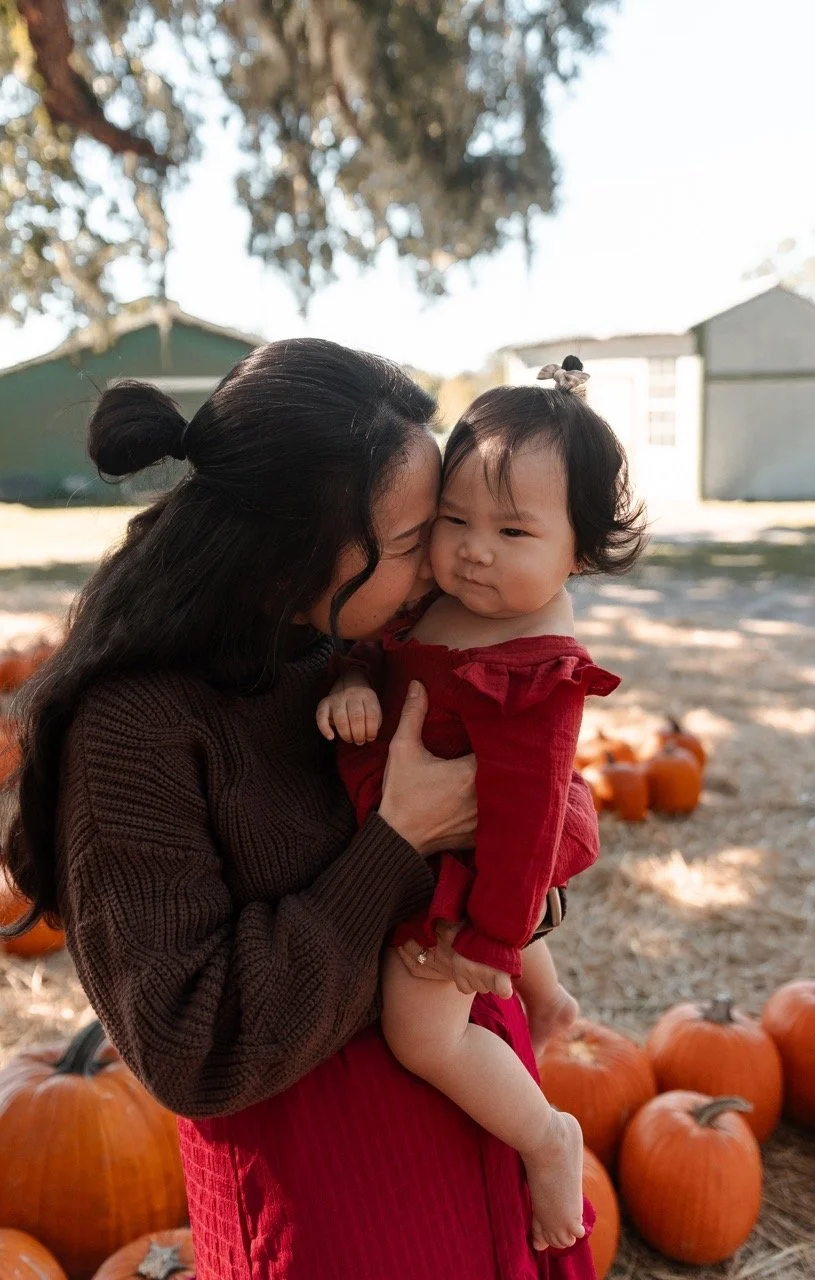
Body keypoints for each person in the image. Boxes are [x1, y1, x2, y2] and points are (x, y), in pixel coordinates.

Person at [0, 339, 601, 1280]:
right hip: (337, 1204)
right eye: (410, 543)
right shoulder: (135, 732)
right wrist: (400, 843)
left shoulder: (346, 639)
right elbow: (192, 1049)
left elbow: (544, 790)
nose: (440, 569)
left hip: (480, 1113)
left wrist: (517, 881)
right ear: (293, 555)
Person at [318, 358, 646, 1251]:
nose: (473, 548)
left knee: (421, 1036)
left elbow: (528, 815)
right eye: (454, 520)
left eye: (510, 530)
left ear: (575, 550)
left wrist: (492, 940)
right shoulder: (437, 597)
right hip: (428, 826)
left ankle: (547, 1138)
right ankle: (547, 1000)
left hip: (471, 862)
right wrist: (353, 682)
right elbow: (375, 651)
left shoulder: (537, 662)